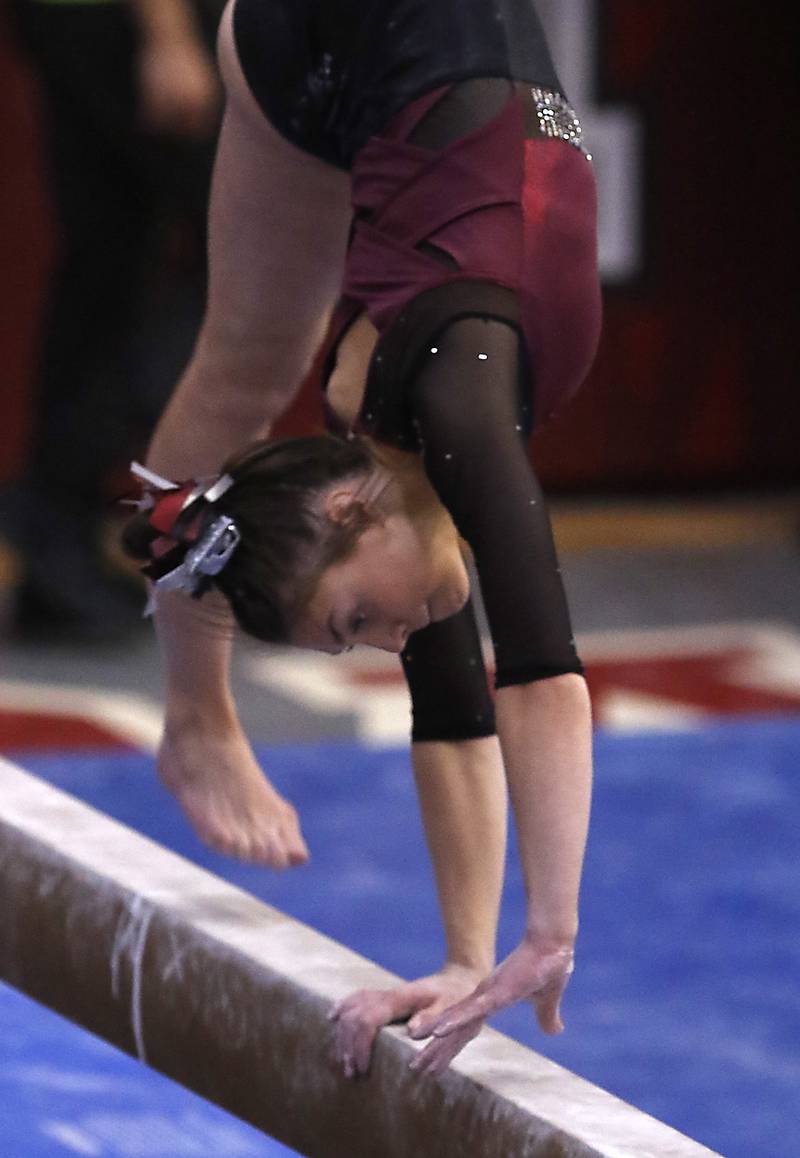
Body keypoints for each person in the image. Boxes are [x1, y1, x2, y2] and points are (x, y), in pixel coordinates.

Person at [127, 0, 601, 1077]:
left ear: (345, 510)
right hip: (397, 73)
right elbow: (451, 702)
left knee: (252, 361)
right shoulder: (390, 482)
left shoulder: (459, 401)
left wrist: (546, 936)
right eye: (357, 641)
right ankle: (195, 717)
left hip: (315, 30)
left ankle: (197, 718)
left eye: (354, 624)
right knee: (254, 357)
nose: (390, 641)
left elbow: (537, 671)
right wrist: (461, 959)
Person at [2, 0, 222, 641]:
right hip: (133, 24)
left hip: (71, 19)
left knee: (109, 264)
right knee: (252, 257)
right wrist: (169, 34)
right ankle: (60, 493)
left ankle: (56, 541)